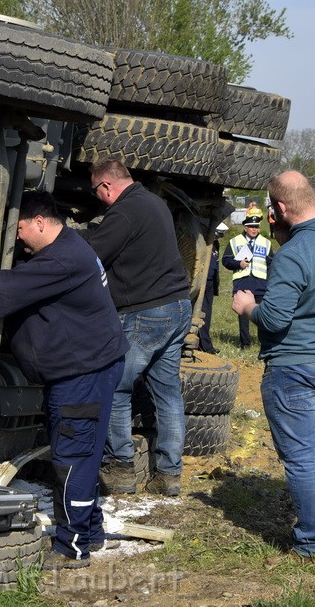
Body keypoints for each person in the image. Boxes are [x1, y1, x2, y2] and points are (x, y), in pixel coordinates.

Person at [0, 191, 128, 571]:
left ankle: (72, 548)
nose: (18, 237)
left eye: (20, 228)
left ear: (40, 222)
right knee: (83, 452)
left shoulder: (62, 260)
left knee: (71, 457)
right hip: (92, 366)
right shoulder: (70, 246)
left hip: (82, 375)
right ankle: (90, 532)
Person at [232, 170, 315, 561]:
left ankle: (312, 543)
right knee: (313, 447)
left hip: (294, 365)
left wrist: (248, 307)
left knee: (301, 456)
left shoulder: (294, 253)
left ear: (280, 208)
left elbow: (274, 318)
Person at [86, 158, 191, 497]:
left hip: (146, 312)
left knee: (116, 388)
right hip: (178, 306)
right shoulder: (154, 202)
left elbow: (92, 255)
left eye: (96, 192)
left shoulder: (124, 212)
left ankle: (122, 472)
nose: (99, 198)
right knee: (168, 394)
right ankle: (169, 476)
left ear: (106, 186)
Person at [222, 215, 273, 349]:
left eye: (256, 227)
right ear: (245, 227)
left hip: (260, 282)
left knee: (262, 312)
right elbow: (226, 260)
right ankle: (245, 343)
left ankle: (264, 342)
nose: (254, 229)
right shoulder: (235, 241)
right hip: (242, 281)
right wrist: (239, 263)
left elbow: (272, 263)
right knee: (243, 313)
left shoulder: (266, 242)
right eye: (251, 227)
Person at [197, 223, 226, 354]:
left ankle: (206, 344)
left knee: (207, 314)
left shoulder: (215, 245)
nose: (218, 238)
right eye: (217, 235)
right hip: (200, 282)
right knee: (200, 312)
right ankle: (203, 344)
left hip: (210, 283)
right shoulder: (203, 242)